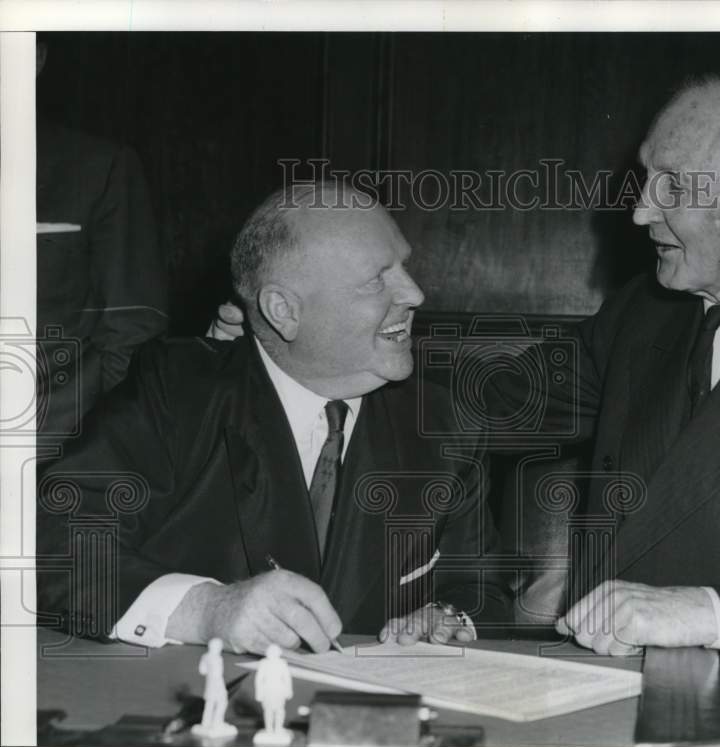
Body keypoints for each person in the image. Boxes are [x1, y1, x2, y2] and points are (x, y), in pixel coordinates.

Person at [208, 75, 720, 659]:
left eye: (673, 186)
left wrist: (702, 611)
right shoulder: (647, 312)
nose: (639, 211)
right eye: (645, 178)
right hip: (599, 674)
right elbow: (488, 402)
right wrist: (324, 340)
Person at [36, 182, 508, 655]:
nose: (415, 293)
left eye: (404, 266)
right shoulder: (176, 392)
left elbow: (481, 591)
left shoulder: (444, 423)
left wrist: (449, 617)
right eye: (376, 279)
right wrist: (205, 610)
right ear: (284, 311)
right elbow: (50, 544)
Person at [35, 40, 169, 439]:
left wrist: (79, 436)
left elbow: (134, 325)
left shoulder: (99, 167)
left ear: (36, 58)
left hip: (52, 447)